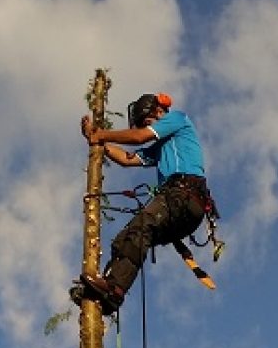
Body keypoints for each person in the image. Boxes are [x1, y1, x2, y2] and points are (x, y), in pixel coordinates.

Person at [77, 92, 208, 314]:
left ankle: (115, 288)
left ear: (159, 111)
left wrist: (100, 134)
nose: (146, 128)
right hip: (181, 205)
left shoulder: (177, 118)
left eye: (147, 122)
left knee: (142, 225)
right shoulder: (160, 147)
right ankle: (108, 290)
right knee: (128, 237)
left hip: (185, 194)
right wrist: (99, 143)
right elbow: (126, 159)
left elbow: (139, 137)